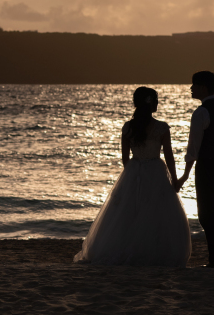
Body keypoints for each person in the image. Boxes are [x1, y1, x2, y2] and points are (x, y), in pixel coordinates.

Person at [74, 87, 191, 267]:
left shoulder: (128, 127)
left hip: (134, 170)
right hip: (156, 171)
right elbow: (169, 157)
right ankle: (153, 250)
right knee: (156, 214)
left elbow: (124, 158)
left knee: (130, 213)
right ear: (151, 102)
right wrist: (174, 180)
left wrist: (132, 175)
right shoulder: (161, 127)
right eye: (156, 100)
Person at [175, 71, 214, 268]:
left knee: (206, 213)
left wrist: (185, 174)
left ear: (203, 87)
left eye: (194, 84)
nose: (191, 88)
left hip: (207, 166)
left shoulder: (201, 112)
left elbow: (193, 148)